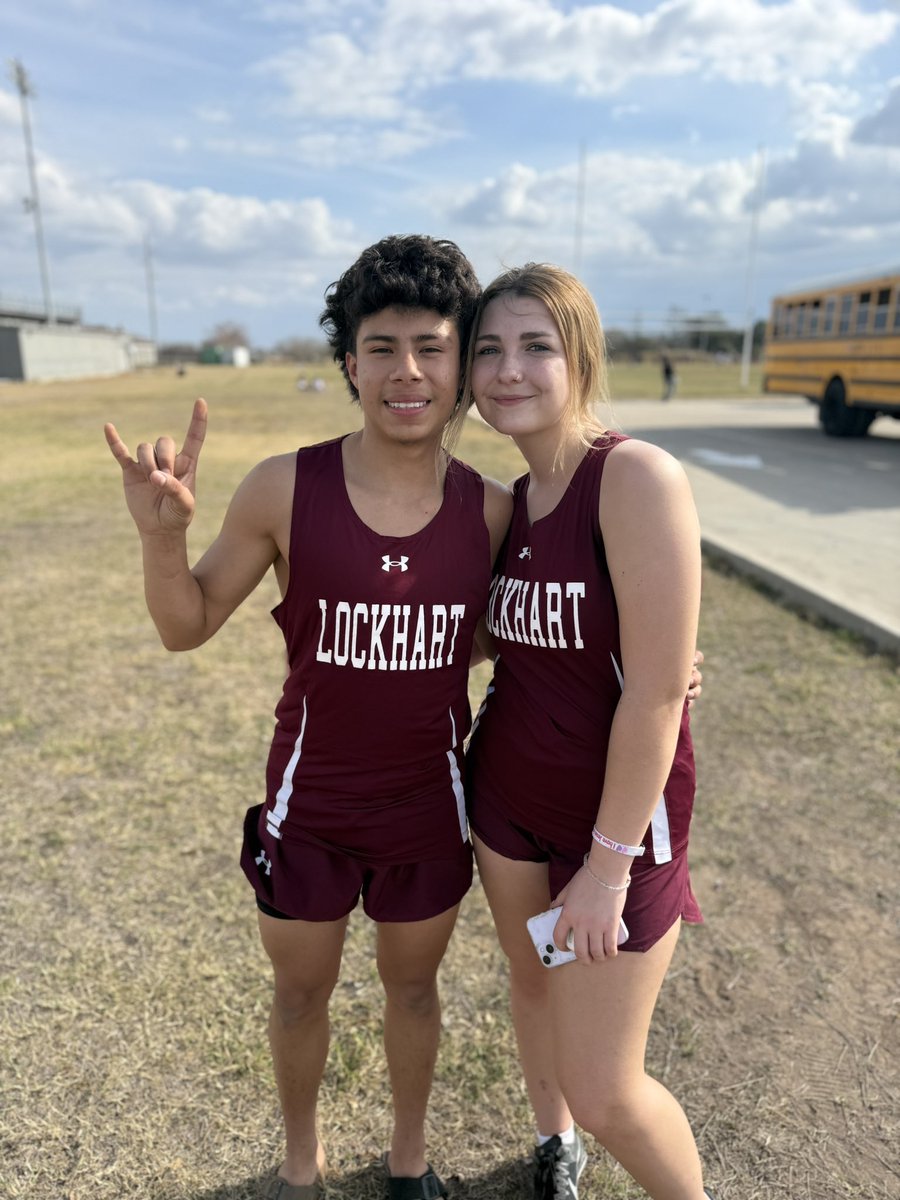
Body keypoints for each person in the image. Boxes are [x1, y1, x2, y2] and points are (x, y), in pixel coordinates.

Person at [104, 234, 513, 1200]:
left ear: (462, 366)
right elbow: (185, 626)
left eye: (431, 347)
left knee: (414, 990)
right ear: (349, 364)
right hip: (310, 805)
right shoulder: (284, 488)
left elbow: (510, 634)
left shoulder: (497, 512)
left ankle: (408, 1161)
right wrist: (162, 541)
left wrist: (666, 664)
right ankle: (300, 1160)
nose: (406, 371)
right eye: (381, 347)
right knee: (298, 994)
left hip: (427, 809)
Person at [464, 264, 715, 1200]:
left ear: (580, 357)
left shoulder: (635, 476)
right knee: (533, 981)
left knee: (608, 1087)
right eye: (489, 349)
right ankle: (552, 1142)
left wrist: (607, 871)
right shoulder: (511, 501)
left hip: (614, 832)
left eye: (535, 345)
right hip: (507, 804)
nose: (509, 369)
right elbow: (491, 640)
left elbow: (654, 695)